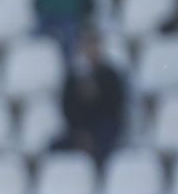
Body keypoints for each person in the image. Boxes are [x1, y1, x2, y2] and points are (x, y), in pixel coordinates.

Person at [52, 28, 127, 164]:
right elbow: (67, 108)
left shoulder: (110, 75)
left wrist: (98, 93)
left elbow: (116, 108)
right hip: (79, 131)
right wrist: (80, 133)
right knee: (55, 148)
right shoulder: (74, 77)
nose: (92, 49)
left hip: (105, 129)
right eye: (88, 45)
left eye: (94, 45)